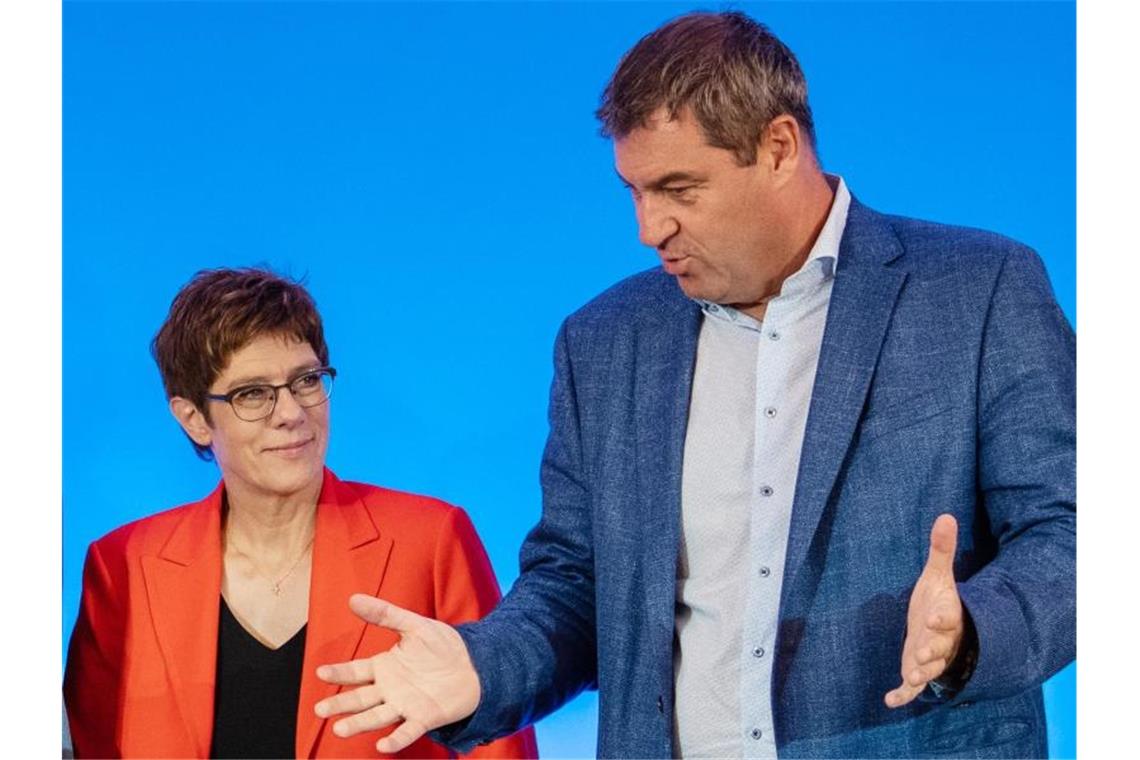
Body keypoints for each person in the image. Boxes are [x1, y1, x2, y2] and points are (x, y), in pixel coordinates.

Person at [313, 11, 1075, 759]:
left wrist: (976, 631)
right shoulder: (604, 342)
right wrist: (483, 668)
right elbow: (578, 587)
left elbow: (1074, 534)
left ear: (778, 147)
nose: (650, 228)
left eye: (680, 188)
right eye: (635, 192)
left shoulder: (978, 290)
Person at [63, 268, 538, 759]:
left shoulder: (431, 540)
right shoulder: (124, 565)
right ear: (194, 419)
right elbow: (94, 743)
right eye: (252, 393)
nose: (291, 412)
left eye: (306, 381)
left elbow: (499, 745)